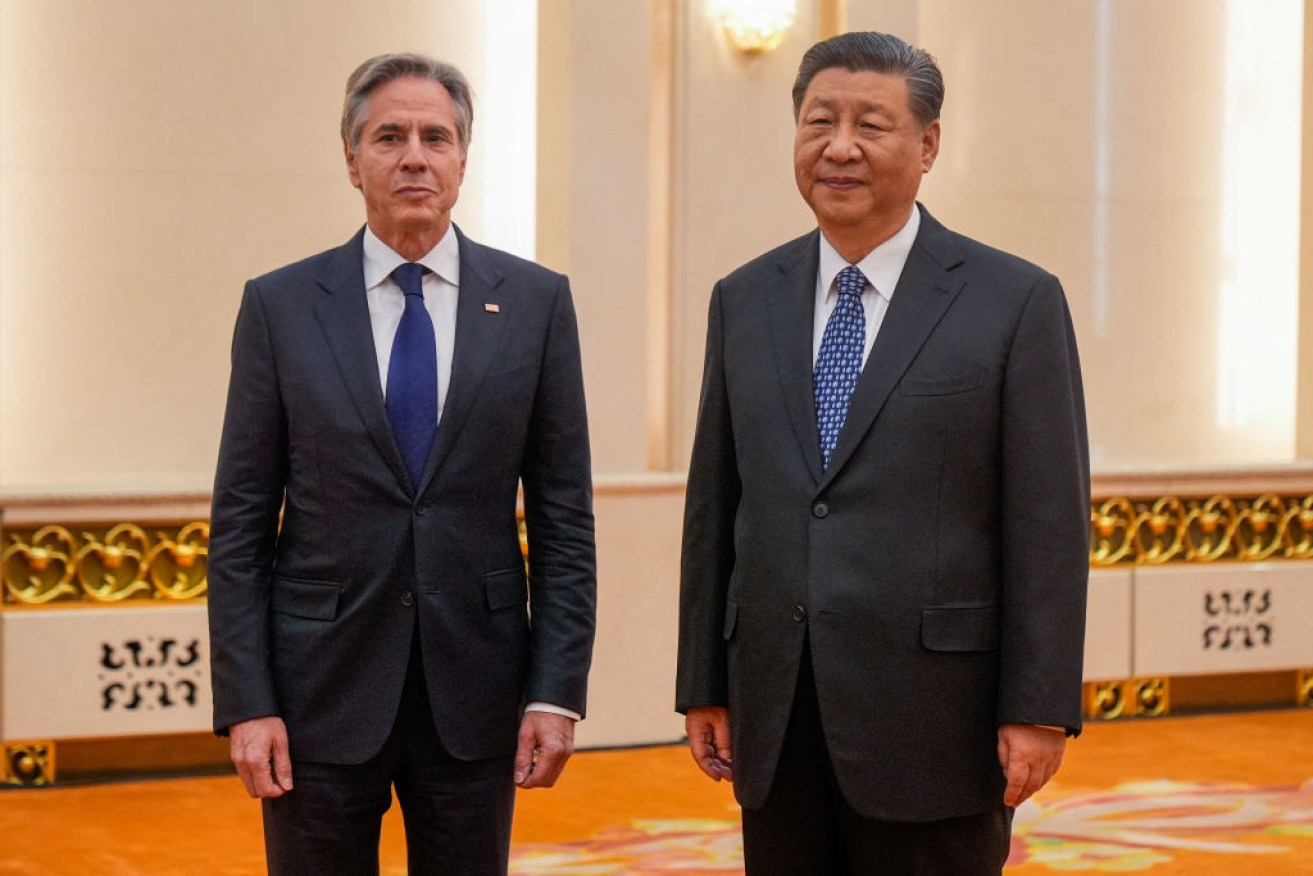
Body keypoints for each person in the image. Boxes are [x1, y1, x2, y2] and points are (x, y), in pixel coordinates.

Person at [676, 31, 1089, 875]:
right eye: (817, 121)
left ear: (928, 144)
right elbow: (715, 504)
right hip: (777, 708)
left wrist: (1038, 707)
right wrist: (703, 681)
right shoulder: (744, 299)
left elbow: (1047, 524)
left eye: (871, 124)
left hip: (939, 718)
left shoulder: (1014, 302)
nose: (838, 146)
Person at [207, 52, 596, 875]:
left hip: (477, 694)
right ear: (352, 160)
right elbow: (240, 525)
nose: (414, 156)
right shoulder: (280, 307)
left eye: (435, 137)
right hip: (315, 697)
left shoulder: (534, 304)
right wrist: (249, 705)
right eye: (389, 137)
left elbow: (564, 521)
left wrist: (555, 692)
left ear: (461, 158)